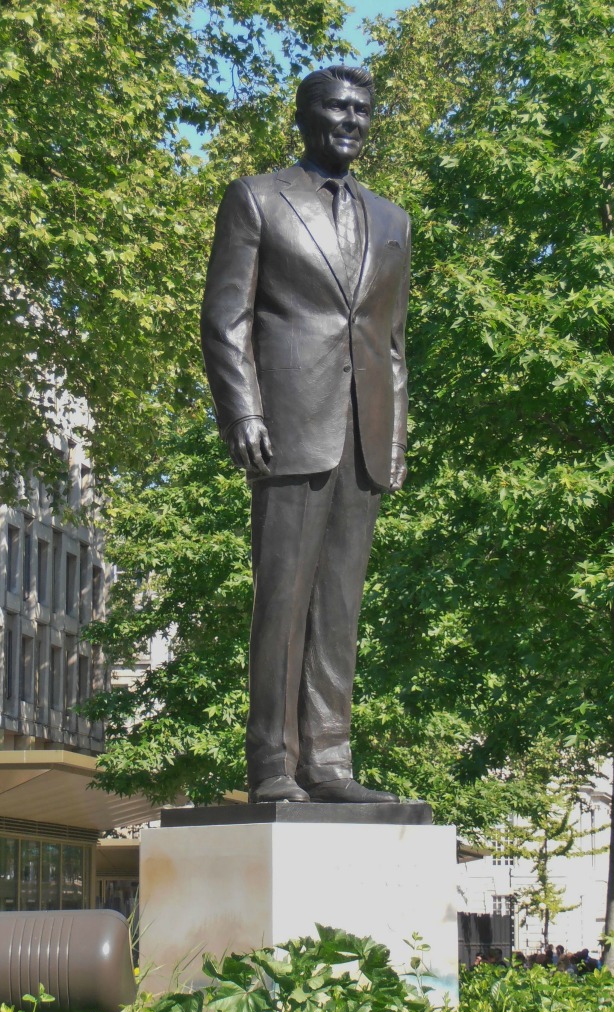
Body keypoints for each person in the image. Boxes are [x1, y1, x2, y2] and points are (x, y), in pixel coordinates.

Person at [201, 66, 411, 803]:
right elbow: (226, 319)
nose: (350, 119)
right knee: (281, 600)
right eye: (336, 107)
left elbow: (390, 341)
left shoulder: (392, 221)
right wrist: (244, 412)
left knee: (340, 606)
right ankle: (272, 764)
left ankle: (328, 759)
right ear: (305, 115)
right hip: (288, 424)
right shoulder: (258, 199)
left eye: (362, 109)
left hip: (364, 431)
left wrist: (394, 440)